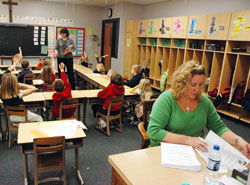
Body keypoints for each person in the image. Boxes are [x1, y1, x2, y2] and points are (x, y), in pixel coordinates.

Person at [147, 60, 250, 157]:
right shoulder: (167, 99)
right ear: (182, 83)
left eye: (200, 84)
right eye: (193, 85)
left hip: (194, 152)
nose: (197, 89)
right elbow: (154, 132)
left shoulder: (204, 102)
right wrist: (188, 140)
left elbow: (219, 128)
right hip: (165, 151)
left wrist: (238, 140)